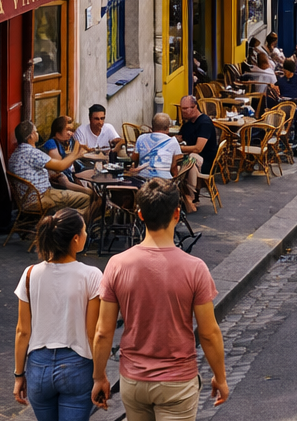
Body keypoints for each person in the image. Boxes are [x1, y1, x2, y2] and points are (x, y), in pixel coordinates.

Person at [92, 179, 229, 419]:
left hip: (133, 380)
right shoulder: (195, 268)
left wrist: (99, 376)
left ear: (140, 215)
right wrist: (220, 376)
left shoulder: (117, 265)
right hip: (177, 381)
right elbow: (208, 332)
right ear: (177, 213)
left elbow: (103, 331)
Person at [13, 209, 101, 421]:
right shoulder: (91, 275)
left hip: (37, 368)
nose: (87, 235)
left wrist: (19, 375)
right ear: (76, 239)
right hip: (77, 365)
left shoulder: (30, 274)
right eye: (85, 231)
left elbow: (22, 331)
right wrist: (101, 375)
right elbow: (93, 333)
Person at [8, 120, 95, 217]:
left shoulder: (14, 155)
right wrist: (75, 154)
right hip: (40, 199)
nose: (37, 134)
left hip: (27, 199)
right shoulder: (32, 153)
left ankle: (66, 222)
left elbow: (31, 175)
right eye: (36, 132)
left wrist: (50, 177)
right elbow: (61, 166)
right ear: (31, 136)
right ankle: (67, 225)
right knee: (86, 199)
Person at [176, 96, 217, 214]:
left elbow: (198, 148)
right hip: (191, 158)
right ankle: (182, 196)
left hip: (206, 161)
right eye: (182, 109)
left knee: (189, 163)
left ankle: (192, 196)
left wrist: (180, 148)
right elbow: (180, 137)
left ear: (195, 107)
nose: (182, 112)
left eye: (185, 109)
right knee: (178, 164)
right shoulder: (188, 124)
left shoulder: (204, 123)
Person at [41, 117, 94, 195]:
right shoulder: (51, 144)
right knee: (90, 193)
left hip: (68, 178)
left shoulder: (66, 142)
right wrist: (75, 154)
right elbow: (60, 168)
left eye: (72, 131)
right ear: (58, 130)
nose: (71, 133)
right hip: (57, 184)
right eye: (68, 130)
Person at [130, 114, 183, 180]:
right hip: (164, 181)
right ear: (168, 128)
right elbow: (174, 167)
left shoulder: (141, 138)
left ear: (152, 127)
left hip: (142, 179)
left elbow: (134, 158)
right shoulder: (173, 142)